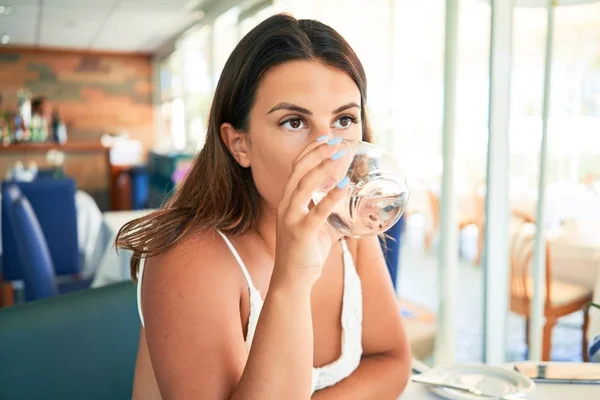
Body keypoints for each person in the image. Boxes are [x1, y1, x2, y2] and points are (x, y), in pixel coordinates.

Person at [117, 14, 411, 399]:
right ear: (240, 144)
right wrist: (292, 279)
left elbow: (392, 361)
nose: (327, 152)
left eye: (343, 119)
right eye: (293, 122)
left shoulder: (345, 225)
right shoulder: (189, 259)